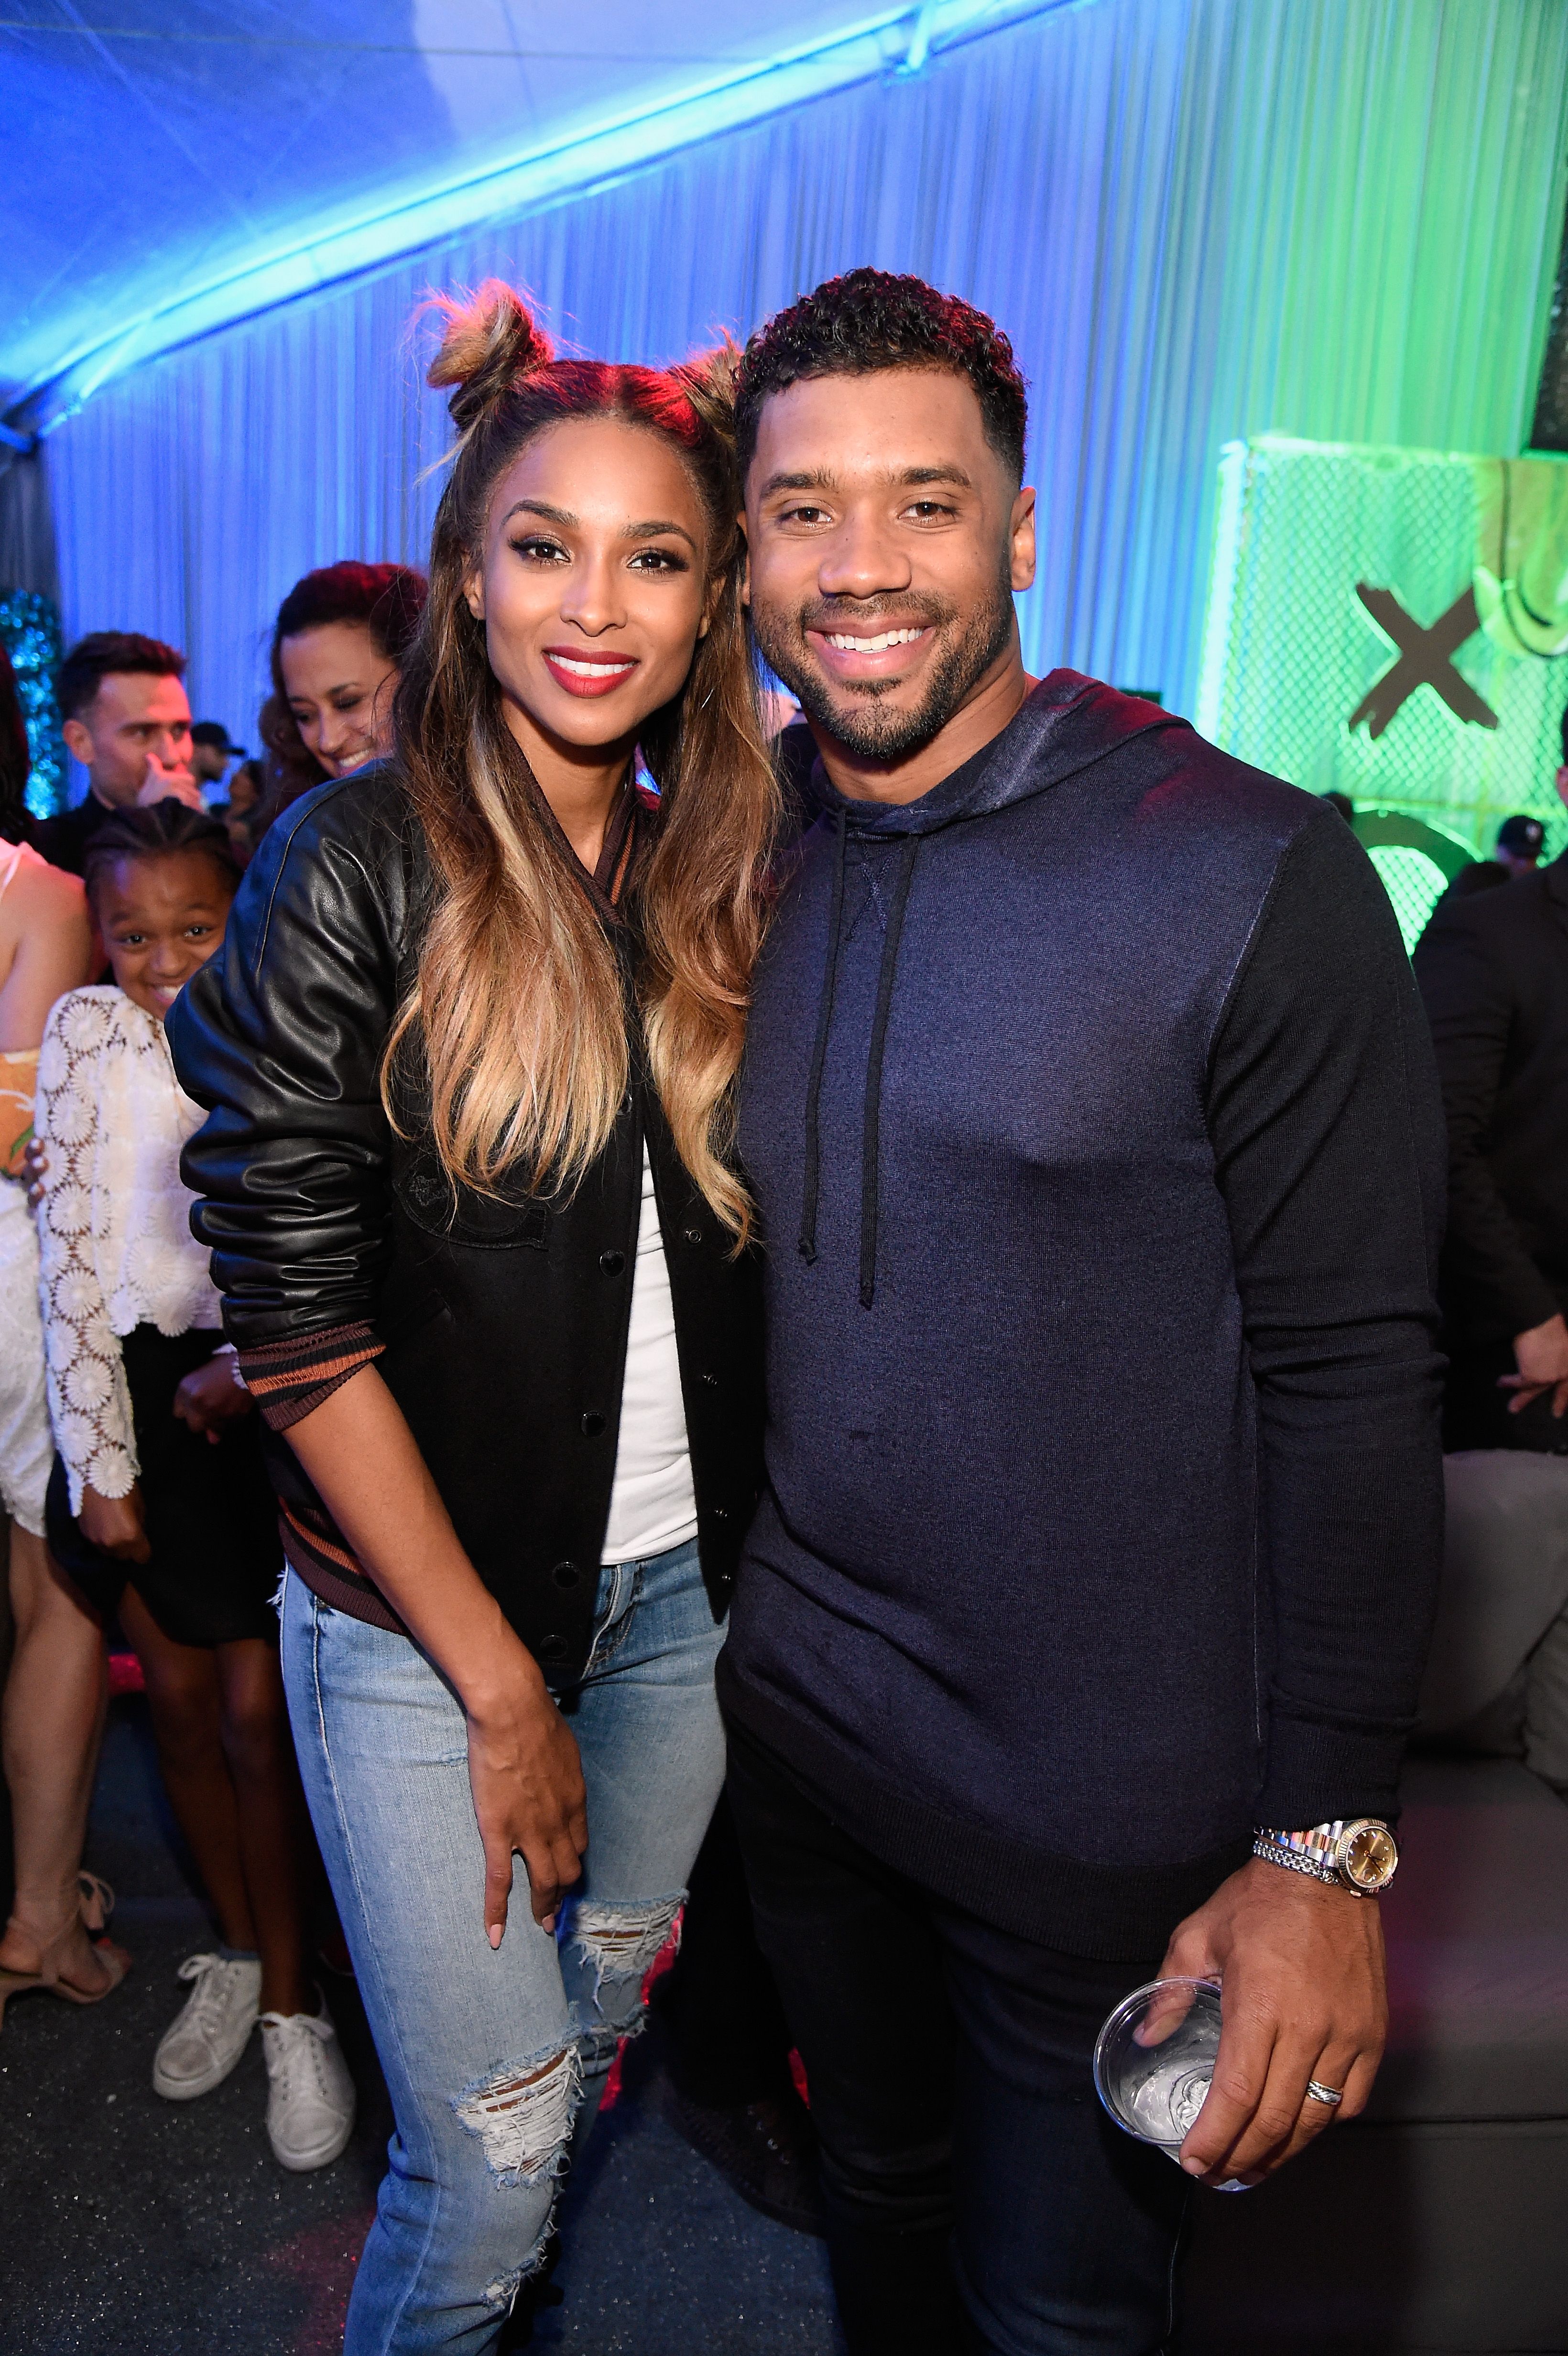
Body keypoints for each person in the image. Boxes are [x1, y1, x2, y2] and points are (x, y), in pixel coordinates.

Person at [719, 270, 1446, 2355]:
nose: (864, 568)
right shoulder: (735, 857)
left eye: (926, 505)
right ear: (750, 547)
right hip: (808, 1754)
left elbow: (1353, 1378)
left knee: (1062, 2317)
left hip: (1104, 1823)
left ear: (1022, 533)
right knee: (873, 2212)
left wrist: (1326, 1850)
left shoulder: (1237, 864)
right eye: (804, 510)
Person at [168, 284, 776, 2349]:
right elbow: (298, 1318)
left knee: (583, 2044)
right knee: (495, 2149)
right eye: (543, 546)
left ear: (713, 605)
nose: (593, 604)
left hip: (680, 1605)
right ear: (468, 578)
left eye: (657, 552)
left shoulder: (728, 870)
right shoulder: (354, 863)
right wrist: (504, 1690)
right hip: (433, 1630)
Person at [33, 800, 354, 2170]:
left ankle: (297, 2003)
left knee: (254, 1720)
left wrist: (258, 1373)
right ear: (100, 936)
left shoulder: (286, 1014)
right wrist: (101, 1470)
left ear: (242, 915)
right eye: (133, 934)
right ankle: (232, 1952)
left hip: (261, 1402)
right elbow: (69, 1265)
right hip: (131, 1413)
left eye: (194, 928)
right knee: (170, 1704)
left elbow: (322, 1230)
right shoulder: (82, 1037)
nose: (164, 958)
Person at [0, 644, 123, 2025]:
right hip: (14, 1277)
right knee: (55, 1592)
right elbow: (33, 1136)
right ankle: (43, 1920)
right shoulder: (39, 897)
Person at [254, 560, 426, 830]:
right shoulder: (299, 838)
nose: (328, 741)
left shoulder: (498, 811)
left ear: (419, 676)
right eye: (305, 716)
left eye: (348, 703)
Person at [33, 633, 204, 876]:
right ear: (81, 743)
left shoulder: (227, 856)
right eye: (142, 733)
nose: (171, 756)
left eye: (179, 731)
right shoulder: (43, 860)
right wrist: (149, 830)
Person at [189, 721, 247, 795]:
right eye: (220, 753)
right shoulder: (173, 793)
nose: (227, 764)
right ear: (195, 749)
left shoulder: (198, 800)